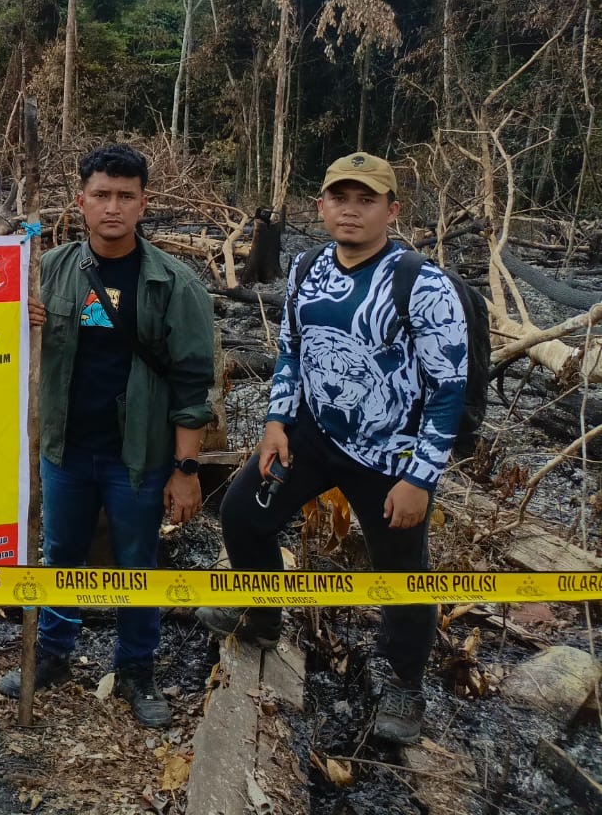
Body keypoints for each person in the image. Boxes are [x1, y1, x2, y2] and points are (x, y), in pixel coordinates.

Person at [199, 152, 468, 746]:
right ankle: (264, 615)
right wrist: (276, 420)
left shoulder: (423, 284)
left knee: (402, 571)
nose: (351, 210)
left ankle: (404, 684)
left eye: (366, 200)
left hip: (390, 454)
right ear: (319, 206)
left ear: (392, 210)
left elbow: (448, 391)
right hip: (316, 435)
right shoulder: (307, 267)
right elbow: (293, 350)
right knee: (244, 513)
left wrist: (420, 479)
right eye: (339, 198)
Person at [0, 144, 216, 728]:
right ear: (81, 201)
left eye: (125, 196)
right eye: (101, 195)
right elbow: (2, 348)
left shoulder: (174, 284)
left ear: (144, 203)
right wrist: (18, 318)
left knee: (137, 563)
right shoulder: (49, 270)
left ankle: (136, 670)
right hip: (65, 451)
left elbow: (195, 383)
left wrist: (187, 469)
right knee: (61, 554)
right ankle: (52, 654)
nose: (112, 207)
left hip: (138, 458)